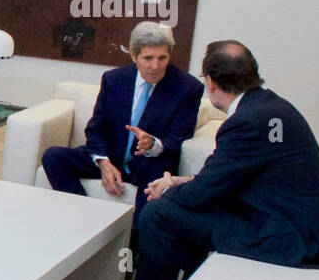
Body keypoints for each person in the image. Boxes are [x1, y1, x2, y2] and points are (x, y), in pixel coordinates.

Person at [132, 41, 319, 280]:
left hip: (287, 237)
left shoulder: (247, 122)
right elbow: (227, 176)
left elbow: (199, 196)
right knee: (184, 208)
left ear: (210, 82)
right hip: (297, 223)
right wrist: (180, 181)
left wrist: (167, 189)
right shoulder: (271, 108)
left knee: (158, 212)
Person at [41, 21, 203, 233]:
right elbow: (95, 129)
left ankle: (132, 251)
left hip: (150, 162)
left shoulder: (188, 88)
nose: (156, 66)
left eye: (162, 58)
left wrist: (153, 144)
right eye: (148, 58)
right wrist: (103, 162)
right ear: (134, 56)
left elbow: (179, 139)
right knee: (53, 156)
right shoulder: (114, 80)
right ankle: (82, 225)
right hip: (112, 157)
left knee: (154, 175)